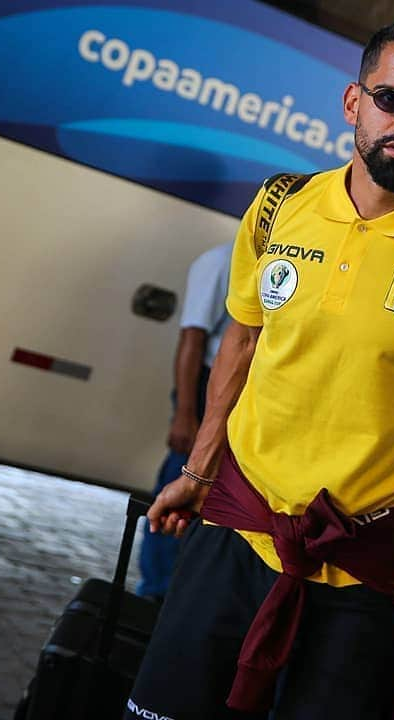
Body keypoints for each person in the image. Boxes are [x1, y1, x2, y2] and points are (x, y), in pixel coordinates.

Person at [124, 19, 394, 720]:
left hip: (365, 571)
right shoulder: (281, 206)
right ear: (354, 103)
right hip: (235, 528)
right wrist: (197, 473)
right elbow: (243, 342)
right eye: (391, 99)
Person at [135, 242, 232, 601]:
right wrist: (185, 412)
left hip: (237, 393)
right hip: (207, 388)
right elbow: (192, 338)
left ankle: (178, 594)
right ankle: (154, 592)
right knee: (179, 491)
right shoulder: (222, 260)